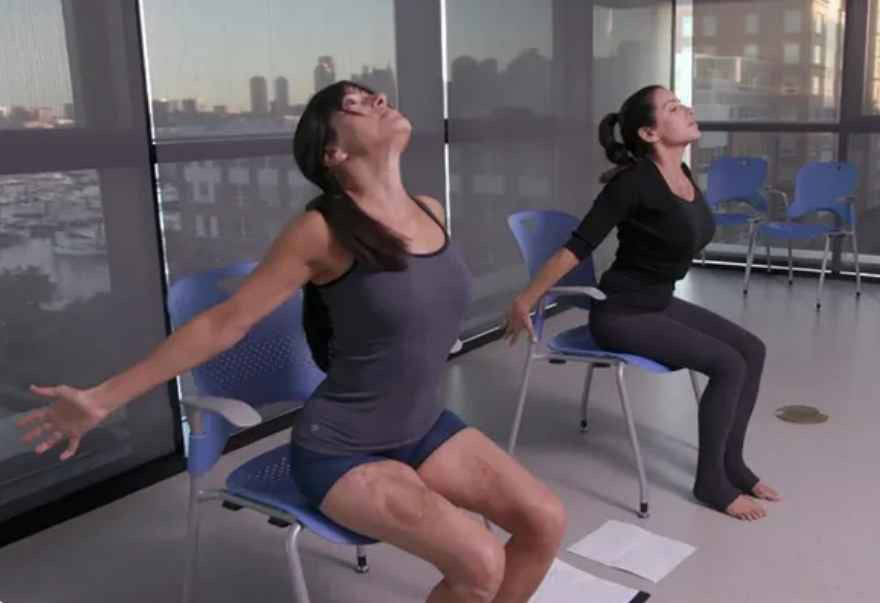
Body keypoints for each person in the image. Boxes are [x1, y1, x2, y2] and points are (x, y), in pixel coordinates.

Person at [17, 81, 565, 603]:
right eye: (352, 103)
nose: (376, 98)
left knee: (545, 522)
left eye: (372, 93)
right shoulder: (322, 231)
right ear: (331, 153)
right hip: (342, 447)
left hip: (423, 426)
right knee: (480, 564)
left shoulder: (431, 211)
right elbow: (222, 323)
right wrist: (102, 399)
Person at [504, 85, 780, 522]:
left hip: (657, 302)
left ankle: (733, 465)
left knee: (752, 350)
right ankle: (711, 482)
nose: (686, 108)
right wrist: (525, 298)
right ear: (650, 133)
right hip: (621, 313)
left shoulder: (684, 174)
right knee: (728, 364)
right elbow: (576, 248)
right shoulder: (631, 184)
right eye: (673, 107)